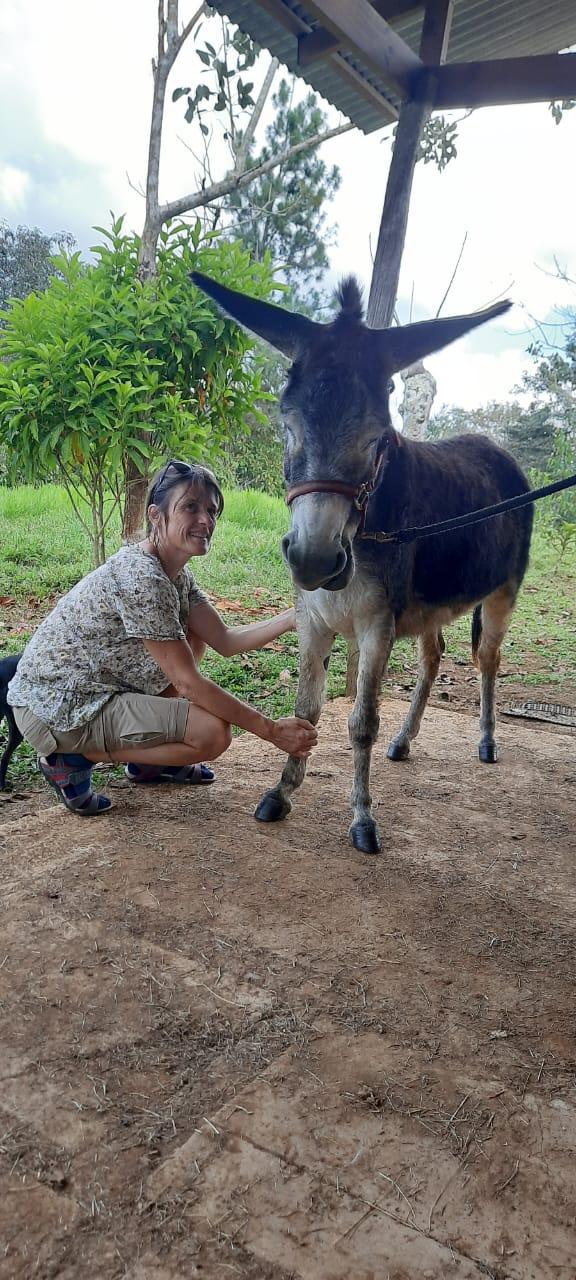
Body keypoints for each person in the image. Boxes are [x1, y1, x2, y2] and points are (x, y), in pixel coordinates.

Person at [8, 459, 317, 816]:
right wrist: (271, 730)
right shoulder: (143, 578)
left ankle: (151, 764)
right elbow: (188, 684)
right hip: (59, 709)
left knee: (193, 636)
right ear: (156, 515)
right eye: (190, 507)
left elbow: (226, 640)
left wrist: (297, 615)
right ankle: (70, 758)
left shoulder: (174, 573)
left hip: (94, 689)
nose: (206, 520)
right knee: (212, 733)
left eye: (211, 510)